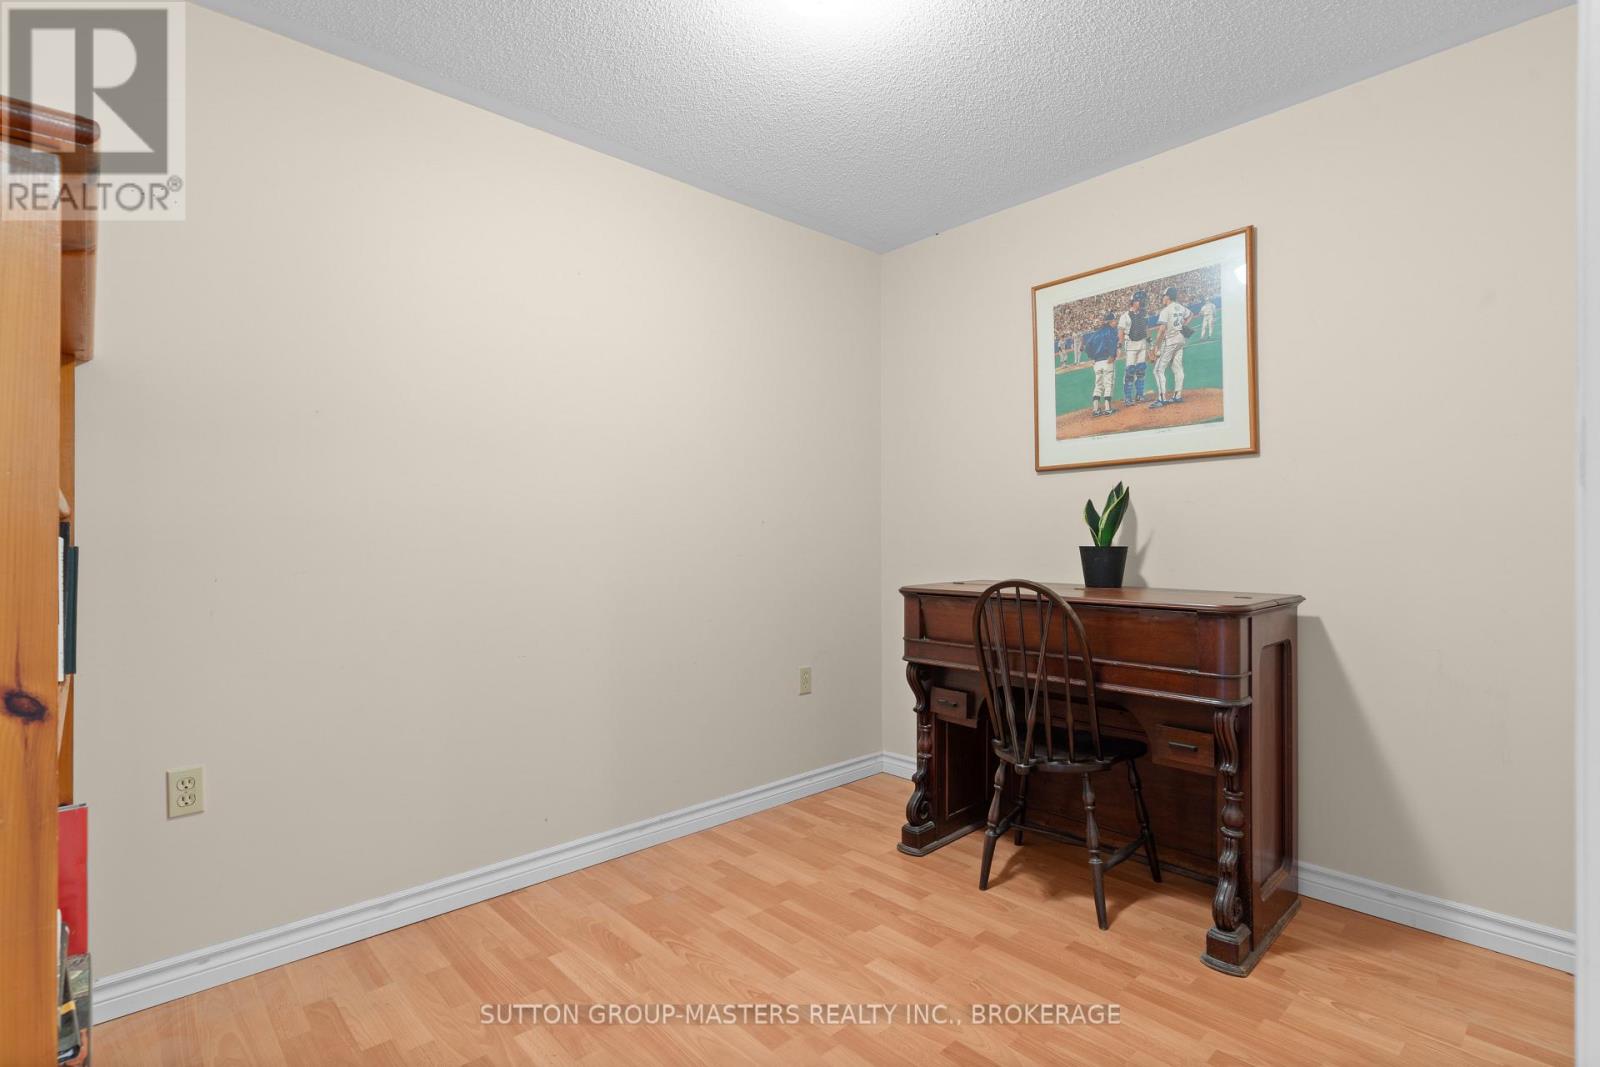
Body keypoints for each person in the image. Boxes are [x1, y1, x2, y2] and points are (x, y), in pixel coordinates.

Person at [1150, 285, 1192, 408]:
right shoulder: (1180, 307)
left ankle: (1162, 399)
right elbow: (1191, 314)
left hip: (1170, 342)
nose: (1162, 298)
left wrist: (1156, 347)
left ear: (1167, 297)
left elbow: (1161, 330)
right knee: (1177, 368)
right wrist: (1183, 325)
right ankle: (1177, 396)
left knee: (1158, 370)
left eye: (1163, 296)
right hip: (1181, 340)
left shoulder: (1166, 310)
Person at [1082, 310, 1121, 417]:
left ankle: (1095, 409)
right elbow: (1112, 343)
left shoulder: (1096, 333)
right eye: (1114, 320)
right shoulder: (1111, 331)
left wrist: (1092, 357)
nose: (1116, 322)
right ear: (1110, 321)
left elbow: (1087, 346)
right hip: (1107, 361)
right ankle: (1107, 408)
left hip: (1097, 363)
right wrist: (1112, 355)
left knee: (1098, 385)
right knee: (1108, 384)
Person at [1119, 290, 1150, 405]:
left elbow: (1146, 329)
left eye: (1143, 300)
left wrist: (1150, 343)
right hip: (1131, 345)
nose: (1142, 302)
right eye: (1140, 300)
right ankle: (1127, 398)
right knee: (1130, 371)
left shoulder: (1144, 314)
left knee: (1141, 369)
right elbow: (1121, 332)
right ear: (1133, 302)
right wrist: (1119, 346)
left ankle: (1139, 395)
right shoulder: (1125, 316)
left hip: (1142, 344)